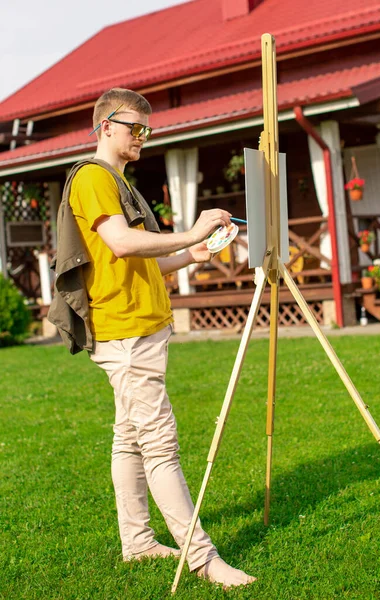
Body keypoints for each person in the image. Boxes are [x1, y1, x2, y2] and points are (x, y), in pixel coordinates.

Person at [50, 87, 256, 589]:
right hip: (124, 332)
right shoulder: (95, 178)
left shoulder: (118, 183)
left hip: (137, 328)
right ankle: (203, 558)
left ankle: (138, 541)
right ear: (105, 127)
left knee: (130, 438)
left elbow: (141, 255)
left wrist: (192, 254)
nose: (143, 136)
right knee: (160, 443)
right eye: (134, 128)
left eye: (148, 129)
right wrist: (191, 230)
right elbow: (121, 243)